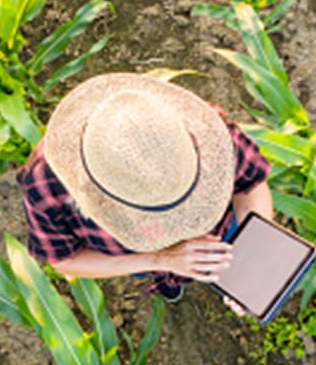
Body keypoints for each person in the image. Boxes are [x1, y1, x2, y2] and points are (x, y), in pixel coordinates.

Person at [17, 72, 274, 303]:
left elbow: (250, 186)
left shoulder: (207, 130)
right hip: (137, 259)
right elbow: (65, 260)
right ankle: (167, 282)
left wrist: (254, 257)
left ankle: (177, 279)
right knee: (152, 273)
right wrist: (159, 260)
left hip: (218, 238)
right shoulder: (46, 183)